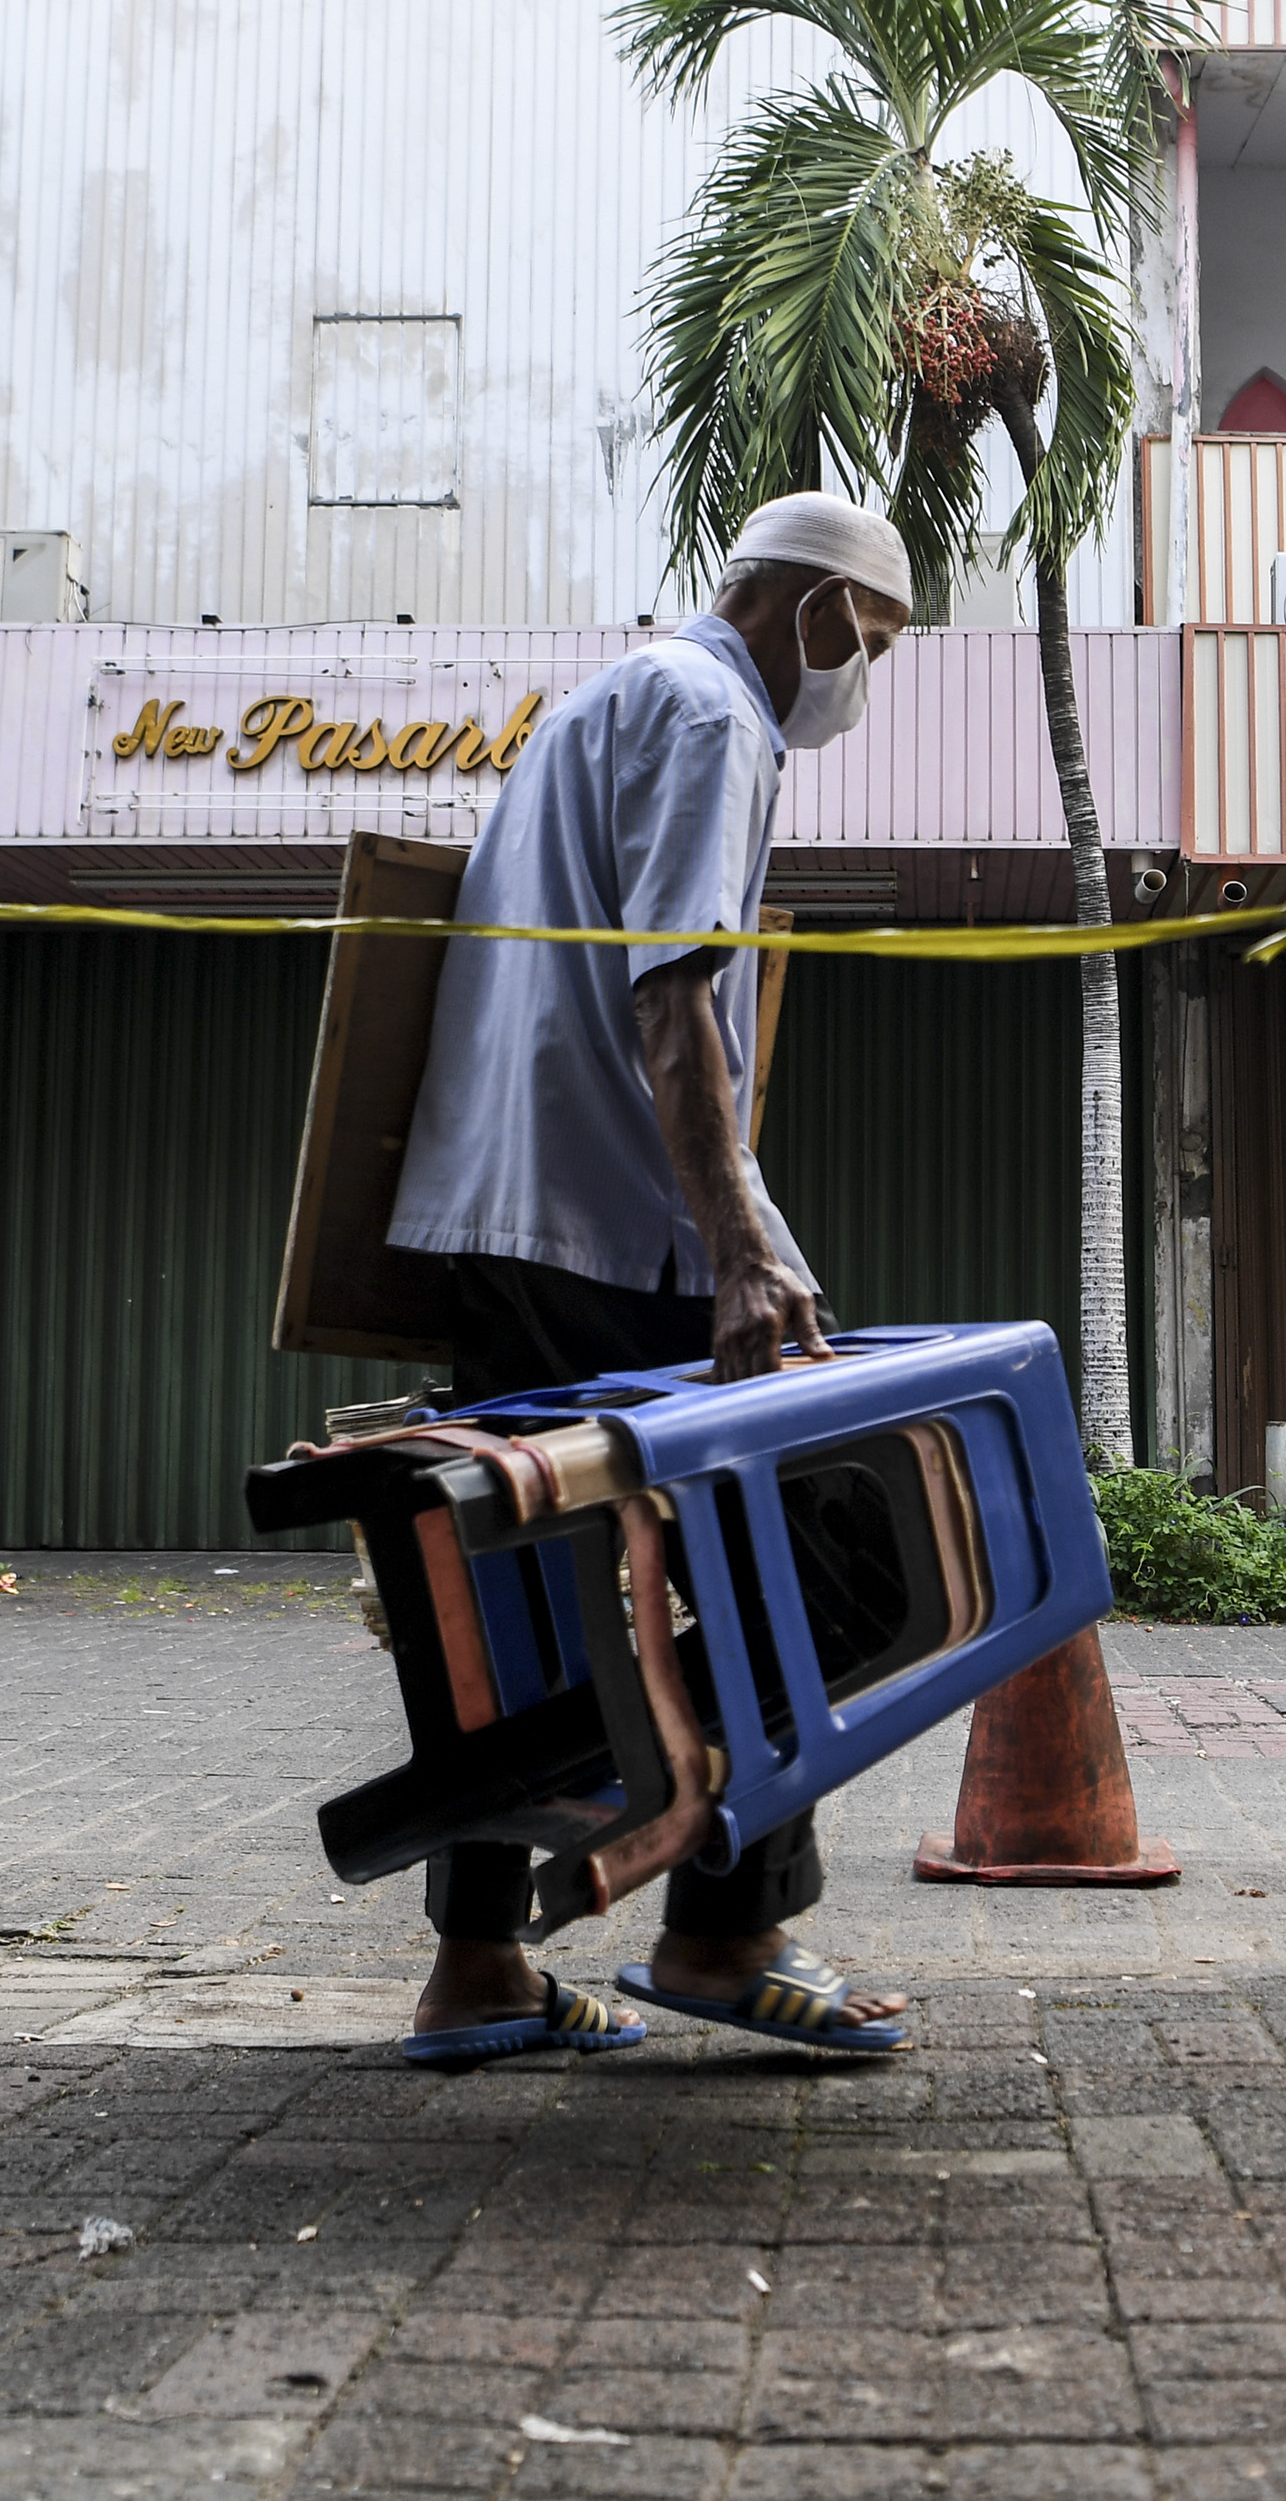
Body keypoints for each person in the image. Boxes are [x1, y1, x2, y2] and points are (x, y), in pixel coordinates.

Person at [378, 490, 919, 2062]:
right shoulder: (712, 712)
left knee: (524, 1598)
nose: (858, 677)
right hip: (621, 1227)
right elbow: (676, 994)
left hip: (498, 1219)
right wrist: (742, 1247)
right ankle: (725, 1924)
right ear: (812, 612)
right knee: (836, 1562)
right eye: (866, 642)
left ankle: (480, 1967)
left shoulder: (601, 703)